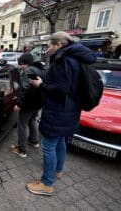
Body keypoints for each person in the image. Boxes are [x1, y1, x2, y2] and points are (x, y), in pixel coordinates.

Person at [26, 31, 96, 196]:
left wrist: (41, 85)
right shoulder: (75, 58)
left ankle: (46, 183)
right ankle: (57, 170)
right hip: (69, 110)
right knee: (60, 141)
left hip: (58, 111)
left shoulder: (64, 60)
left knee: (48, 145)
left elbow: (61, 89)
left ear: (59, 45)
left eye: (50, 45)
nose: (47, 48)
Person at [10, 53, 44, 158]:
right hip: (38, 103)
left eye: (21, 64)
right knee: (33, 120)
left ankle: (21, 150)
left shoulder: (29, 71)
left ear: (25, 63)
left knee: (22, 125)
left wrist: (19, 104)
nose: (20, 67)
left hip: (29, 104)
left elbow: (25, 89)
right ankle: (34, 141)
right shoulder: (39, 69)